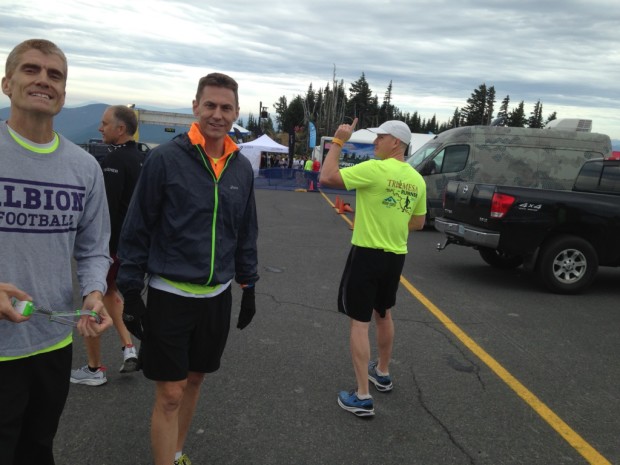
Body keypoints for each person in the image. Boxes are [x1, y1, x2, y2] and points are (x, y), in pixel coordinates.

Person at [116, 72, 259, 465]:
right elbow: (137, 227)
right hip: (170, 296)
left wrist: (249, 285)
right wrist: (130, 291)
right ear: (195, 106)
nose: (217, 114)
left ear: (236, 112)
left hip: (216, 298)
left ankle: (177, 452)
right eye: (209, 105)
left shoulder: (241, 168)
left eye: (225, 107)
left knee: (195, 379)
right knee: (170, 393)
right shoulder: (164, 159)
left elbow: (245, 231)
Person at [0, 39, 112, 465]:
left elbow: (93, 247)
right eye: (31, 70)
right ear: (7, 83)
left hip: (51, 342)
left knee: (38, 450)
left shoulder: (84, 167)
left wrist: (93, 293)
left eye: (55, 75)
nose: (44, 80)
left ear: (63, 95)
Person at [319, 118, 427, 417]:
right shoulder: (416, 179)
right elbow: (418, 223)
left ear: (396, 142)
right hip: (396, 255)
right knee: (383, 313)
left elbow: (326, 177)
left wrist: (339, 141)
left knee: (359, 321)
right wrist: (391, 219)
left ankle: (362, 396)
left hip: (367, 253)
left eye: (380, 138)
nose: (375, 142)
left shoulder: (375, 169)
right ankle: (381, 371)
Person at [70, 105, 144, 385]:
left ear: (120, 129)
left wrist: (93, 249)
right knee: (111, 295)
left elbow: (103, 210)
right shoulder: (141, 158)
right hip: (132, 246)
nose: (100, 128)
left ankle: (94, 369)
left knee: (93, 298)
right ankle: (128, 349)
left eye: (104, 124)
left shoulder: (115, 162)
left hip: (110, 246)